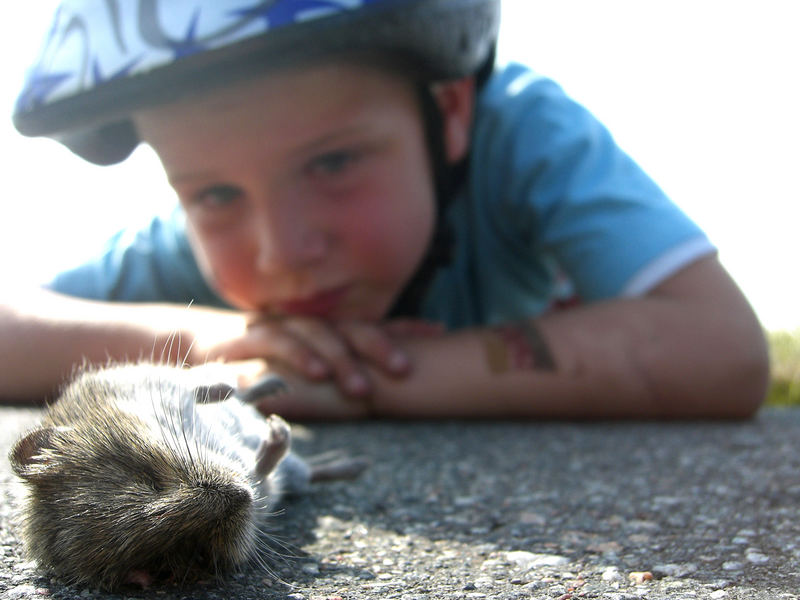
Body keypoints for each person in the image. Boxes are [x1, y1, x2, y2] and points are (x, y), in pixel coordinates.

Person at [1, 0, 769, 418]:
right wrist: (212, 342)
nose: (280, 250)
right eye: (214, 194)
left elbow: (723, 346)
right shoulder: (192, 256)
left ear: (453, 112)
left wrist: (377, 380)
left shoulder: (523, 131)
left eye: (333, 163)